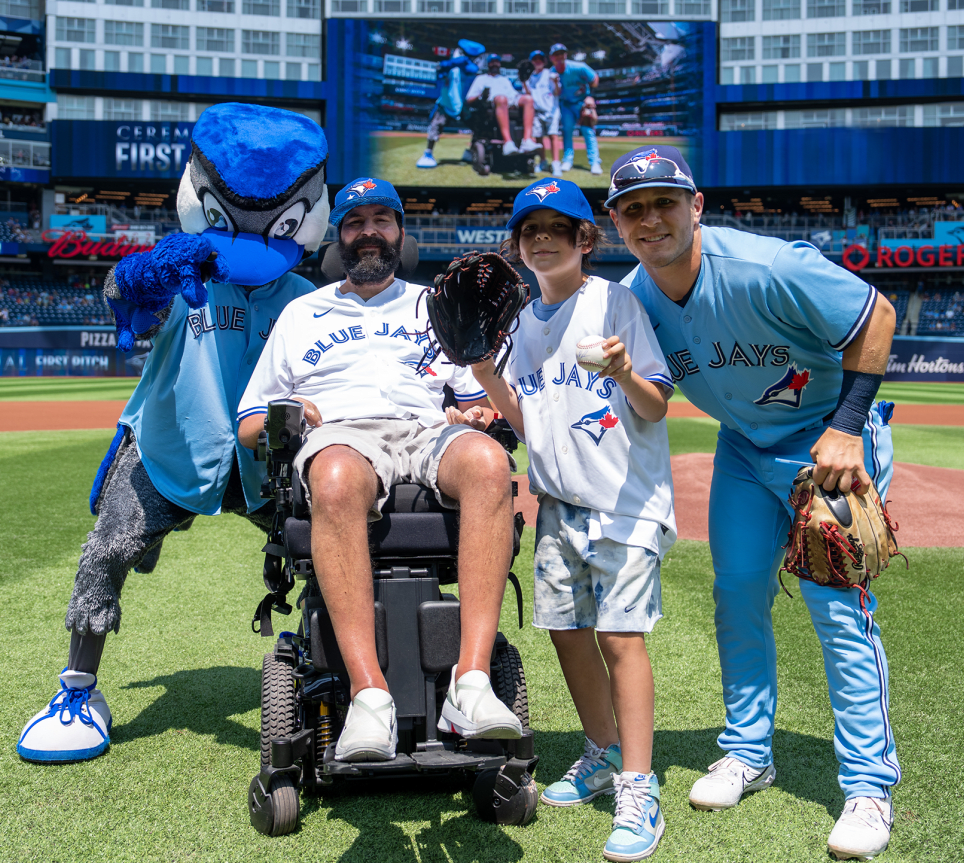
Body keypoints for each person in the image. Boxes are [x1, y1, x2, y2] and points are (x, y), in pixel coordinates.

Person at [607, 145, 902, 861]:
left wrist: (845, 428)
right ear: (617, 224)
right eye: (633, 210)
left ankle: (868, 787)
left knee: (836, 611)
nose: (651, 220)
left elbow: (879, 314)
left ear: (696, 206)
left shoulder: (768, 266)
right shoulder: (634, 298)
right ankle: (748, 752)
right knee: (737, 594)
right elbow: (654, 396)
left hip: (825, 442)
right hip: (744, 445)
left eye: (665, 204)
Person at [15, 104, 329, 763]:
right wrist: (143, 279)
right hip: (168, 447)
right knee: (109, 548)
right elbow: (124, 296)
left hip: (264, 456)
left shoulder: (304, 294)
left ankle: (337, 675)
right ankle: (77, 689)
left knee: (324, 549)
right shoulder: (180, 268)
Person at [237, 178, 523, 762]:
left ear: (399, 232)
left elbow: (482, 403)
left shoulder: (433, 305)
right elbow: (247, 423)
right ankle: (370, 696)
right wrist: (287, 415)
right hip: (340, 433)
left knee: (490, 462)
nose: (368, 232)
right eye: (354, 222)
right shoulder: (302, 312)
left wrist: (475, 410)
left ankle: (470, 682)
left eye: (381, 220)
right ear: (339, 239)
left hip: (423, 429)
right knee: (337, 476)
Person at [470, 178, 675, 862]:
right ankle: (601, 752)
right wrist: (484, 376)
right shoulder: (523, 325)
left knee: (620, 638)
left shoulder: (615, 301)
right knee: (565, 633)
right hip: (560, 505)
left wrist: (621, 369)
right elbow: (531, 425)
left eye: (561, 227)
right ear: (519, 246)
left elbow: (654, 407)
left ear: (586, 240)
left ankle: (639, 789)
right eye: (532, 230)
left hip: (625, 501)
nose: (545, 238)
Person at [417, 39, 484, 170]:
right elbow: (439, 71)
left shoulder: (468, 67)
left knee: (477, 127)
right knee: (436, 126)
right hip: (446, 103)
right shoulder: (450, 65)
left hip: (463, 105)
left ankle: (470, 152)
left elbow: (472, 69)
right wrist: (448, 65)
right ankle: (428, 154)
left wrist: (462, 62)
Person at [466, 53, 539, 157]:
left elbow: (514, 95)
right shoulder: (481, 79)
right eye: (492, 62)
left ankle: (526, 140)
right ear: (489, 64)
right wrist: (481, 95)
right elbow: (469, 99)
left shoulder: (504, 80)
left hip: (508, 102)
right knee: (501, 98)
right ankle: (508, 142)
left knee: (528, 99)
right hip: (492, 104)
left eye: (497, 61)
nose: (495, 64)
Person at [551, 44, 601, 175]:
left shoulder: (579, 67)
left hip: (582, 103)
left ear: (565, 55)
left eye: (562, 53)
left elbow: (594, 78)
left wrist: (591, 96)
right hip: (566, 104)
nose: (560, 57)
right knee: (567, 130)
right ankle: (567, 160)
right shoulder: (552, 72)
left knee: (587, 130)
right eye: (557, 54)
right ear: (552, 58)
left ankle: (595, 162)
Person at [523, 50, 563, 176]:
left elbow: (557, 92)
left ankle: (556, 163)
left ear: (544, 61)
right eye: (535, 59)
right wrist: (523, 82)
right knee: (538, 137)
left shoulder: (550, 74)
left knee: (553, 136)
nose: (538, 61)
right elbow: (529, 94)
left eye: (540, 59)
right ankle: (543, 161)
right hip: (537, 111)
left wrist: (556, 82)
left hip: (552, 110)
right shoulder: (529, 77)